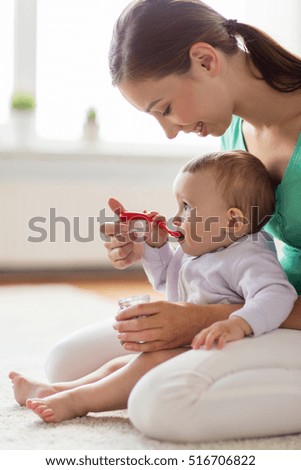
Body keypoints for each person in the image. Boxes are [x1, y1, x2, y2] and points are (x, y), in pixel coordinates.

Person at [19, 0, 301, 441]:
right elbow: (225, 247)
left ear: (206, 60)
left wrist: (198, 319)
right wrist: (152, 245)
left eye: (165, 108)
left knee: (159, 404)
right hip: (257, 308)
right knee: (68, 362)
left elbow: (260, 289)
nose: (170, 132)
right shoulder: (233, 135)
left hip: (273, 311)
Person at [9, 150, 297, 424]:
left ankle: (78, 402)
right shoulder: (200, 249)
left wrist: (239, 324)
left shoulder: (248, 256)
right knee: (121, 365)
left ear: (233, 221)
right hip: (192, 341)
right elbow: (166, 282)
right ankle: (57, 389)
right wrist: (155, 246)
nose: (175, 218)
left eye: (187, 208)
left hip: (235, 345)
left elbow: (277, 294)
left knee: (145, 365)